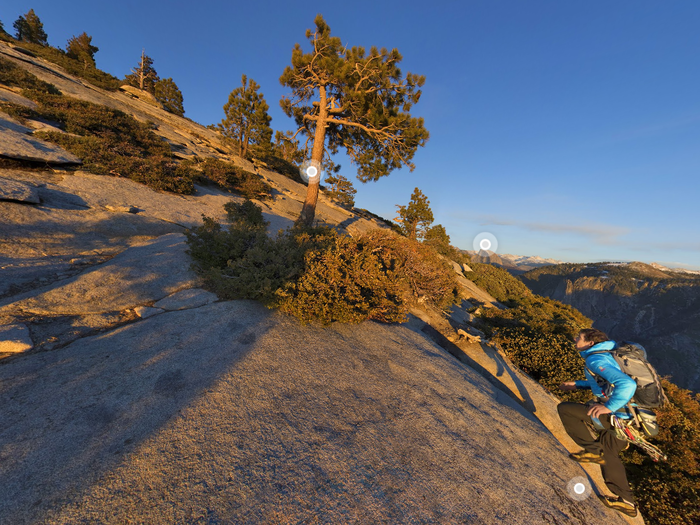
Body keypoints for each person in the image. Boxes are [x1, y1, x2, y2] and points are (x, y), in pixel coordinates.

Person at [557, 328, 638, 517]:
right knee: (609, 452)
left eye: (580, 337)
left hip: (616, 415)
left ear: (590, 343)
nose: (575, 338)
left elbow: (628, 384)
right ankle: (627, 502)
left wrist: (608, 407)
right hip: (627, 416)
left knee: (566, 410)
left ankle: (593, 451)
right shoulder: (605, 354)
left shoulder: (595, 359)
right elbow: (604, 382)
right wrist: (577, 384)